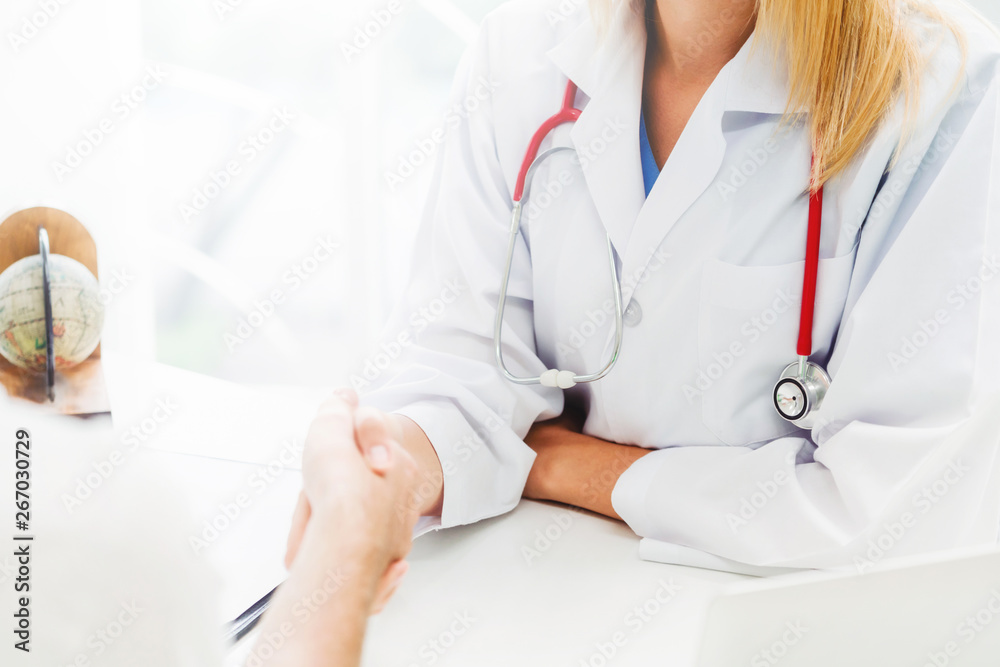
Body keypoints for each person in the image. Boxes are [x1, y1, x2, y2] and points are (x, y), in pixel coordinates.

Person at [296, 0, 1000, 572]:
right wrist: (387, 466)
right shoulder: (519, 53)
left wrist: (563, 465)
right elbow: (459, 374)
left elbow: (881, 515)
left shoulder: (948, 88)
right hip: (542, 597)